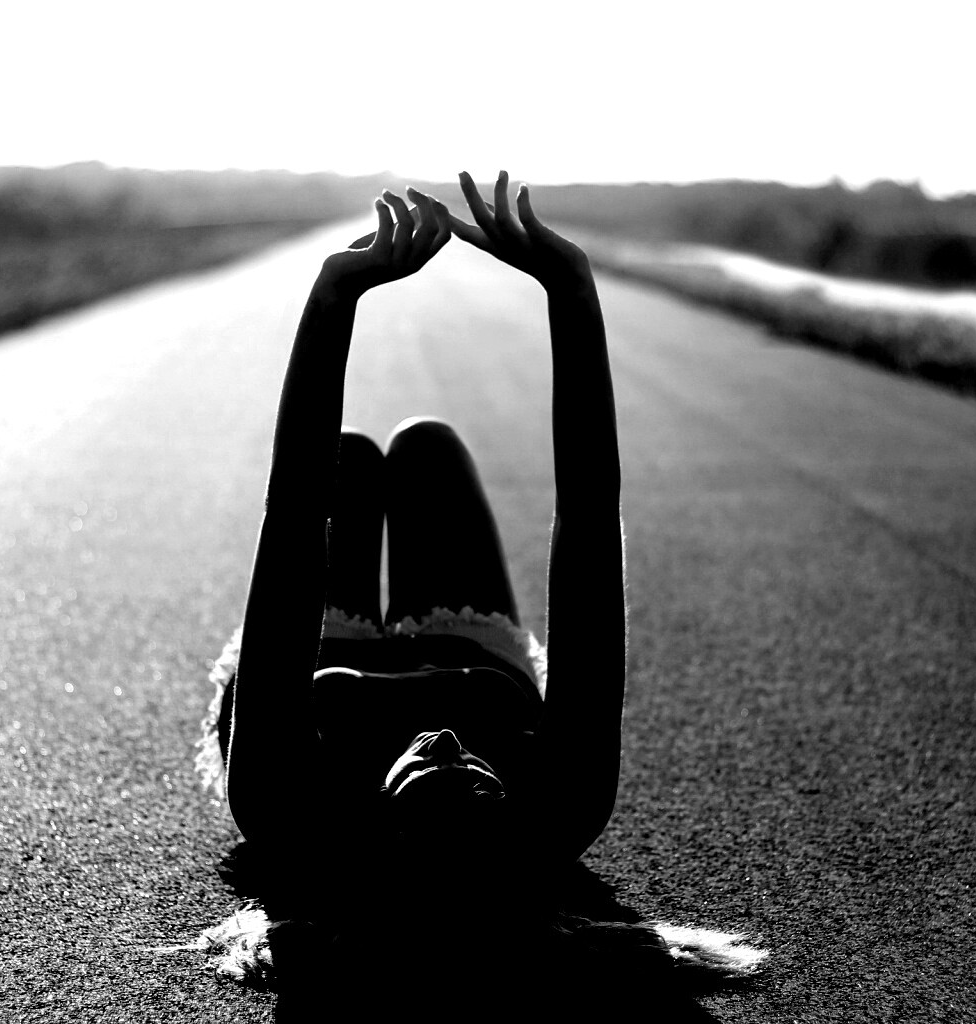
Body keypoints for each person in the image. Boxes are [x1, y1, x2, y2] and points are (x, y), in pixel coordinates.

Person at [193, 173, 763, 1012]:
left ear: (384, 828)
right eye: (483, 779)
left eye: (430, 775)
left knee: (344, 463)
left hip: (315, 661)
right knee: (426, 447)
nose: (449, 740)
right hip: (471, 651)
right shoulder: (560, 808)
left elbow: (293, 516)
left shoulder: (290, 806)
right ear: (510, 821)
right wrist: (571, 289)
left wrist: (335, 293)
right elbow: (589, 519)